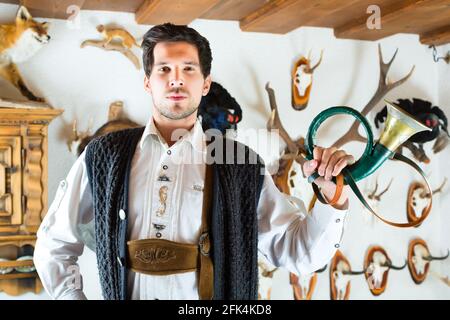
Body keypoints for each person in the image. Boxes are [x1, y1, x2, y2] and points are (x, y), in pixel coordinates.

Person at [34, 23, 354, 300]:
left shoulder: (242, 166)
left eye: (188, 69)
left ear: (205, 84)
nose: (176, 80)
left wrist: (331, 198)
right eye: (163, 69)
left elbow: (299, 254)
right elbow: (53, 243)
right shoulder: (104, 155)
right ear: (148, 82)